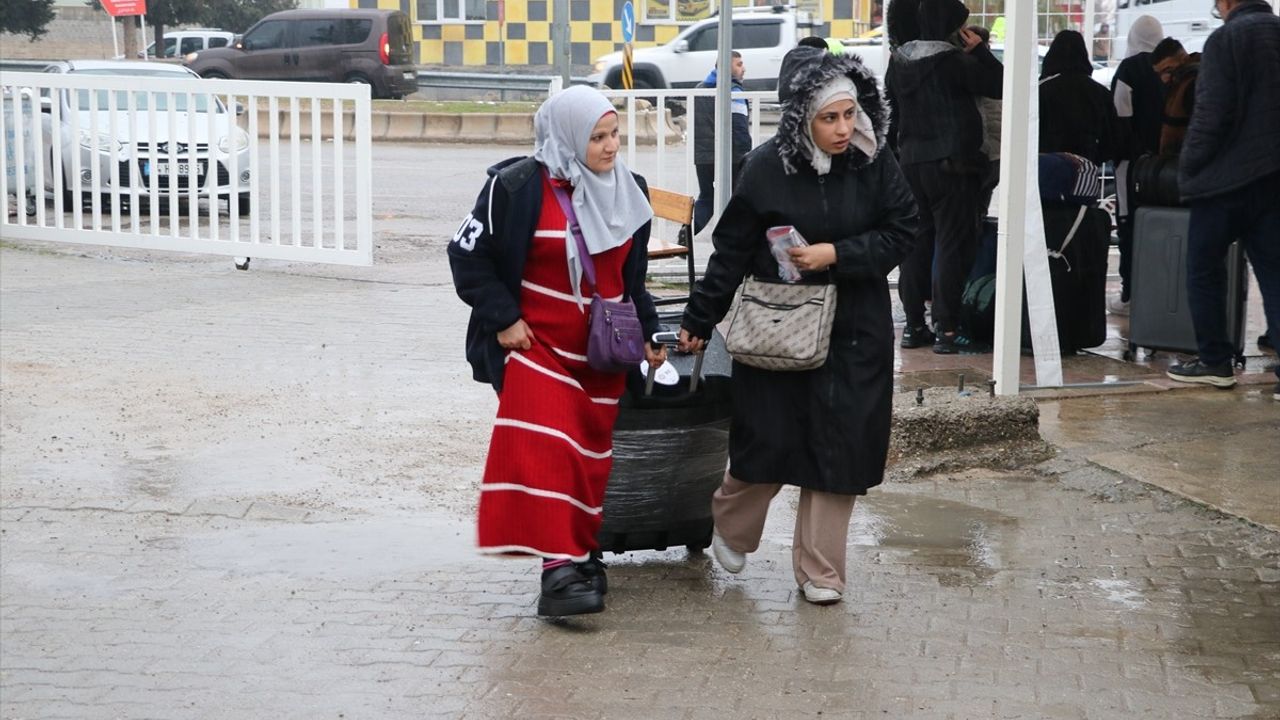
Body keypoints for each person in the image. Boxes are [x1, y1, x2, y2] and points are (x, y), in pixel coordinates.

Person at [677, 47, 918, 605]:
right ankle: (733, 526)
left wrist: (839, 253)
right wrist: (698, 317)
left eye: (850, 114)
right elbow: (731, 250)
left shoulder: (876, 161)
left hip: (855, 329)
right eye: (828, 118)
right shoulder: (765, 166)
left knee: (842, 450)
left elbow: (905, 228)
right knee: (771, 439)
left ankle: (822, 573)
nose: (842, 129)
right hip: (778, 329)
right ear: (801, 117)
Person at [447, 85, 668, 617]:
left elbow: (631, 281)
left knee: (590, 461)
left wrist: (649, 335)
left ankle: (582, 552)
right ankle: (558, 572)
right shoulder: (518, 186)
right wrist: (504, 320)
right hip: (536, 349)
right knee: (551, 451)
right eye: (597, 137)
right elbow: (466, 256)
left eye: (614, 134)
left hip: (601, 357)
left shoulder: (629, 189)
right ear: (569, 136)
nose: (611, 146)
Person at [1168, 0, 1280, 401]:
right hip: (1273, 177)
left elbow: (1211, 113)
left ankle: (1215, 361)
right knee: (1274, 271)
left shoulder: (1226, 39)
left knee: (1203, 269)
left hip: (1225, 180)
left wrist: (1190, 167)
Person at [885, 0, 1002, 353]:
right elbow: (1000, 85)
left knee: (916, 244)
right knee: (952, 244)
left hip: (911, 163)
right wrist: (980, 51)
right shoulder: (955, 62)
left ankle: (913, 325)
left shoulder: (899, 61)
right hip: (954, 165)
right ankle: (946, 329)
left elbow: (891, 105)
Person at [1108, 14, 1166, 316]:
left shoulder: (1129, 69)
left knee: (1130, 224)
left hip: (1132, 166)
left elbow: (1119, 117)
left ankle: (1130, 293)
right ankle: (1164, 292)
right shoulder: (1169, 68)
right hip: (1168, 166)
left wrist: (1121, 153)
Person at [1039, 29, 1119, 167]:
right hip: (1086, 168)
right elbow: (1112, 139)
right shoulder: (1100, 93)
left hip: (1047, 168)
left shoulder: (1043, 91)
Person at [693, 51, 753, 233]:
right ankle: (736, 240)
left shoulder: (700, 88)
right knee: (741, 199)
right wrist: (746, 154)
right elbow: (739, 126)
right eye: (739, 64)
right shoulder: (734, 92)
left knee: (707, 198)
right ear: (727, 68)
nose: (744, 69)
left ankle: (686, 233)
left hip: (703, 155)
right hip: (731, 155)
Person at [1149, 38, 1201, 157]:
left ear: (1183, 58)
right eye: (1159, 73)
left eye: (1168, 70)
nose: (1164, 78)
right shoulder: (1180, 83)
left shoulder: (1194, 84)